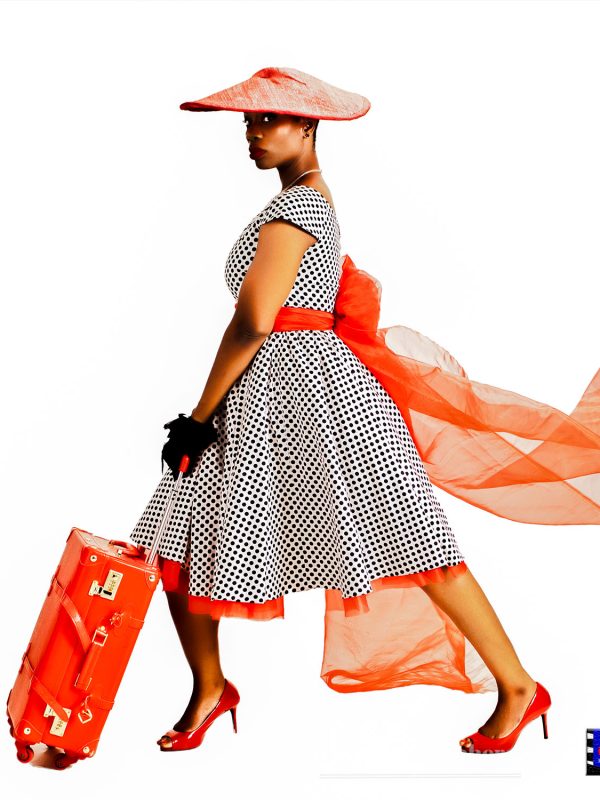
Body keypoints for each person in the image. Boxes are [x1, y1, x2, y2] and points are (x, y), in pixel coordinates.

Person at [129, 67, 600, 754]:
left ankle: (520, 688)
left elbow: (256, 319)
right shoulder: (300, 203)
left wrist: (200, 417)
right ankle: (210, 689)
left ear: (308, 127)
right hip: (273, 399)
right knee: (178, 536)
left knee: (417, 545)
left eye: (268, 122)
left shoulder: (300, 208)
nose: (253, 136)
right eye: (248, 124)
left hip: (318, 401)